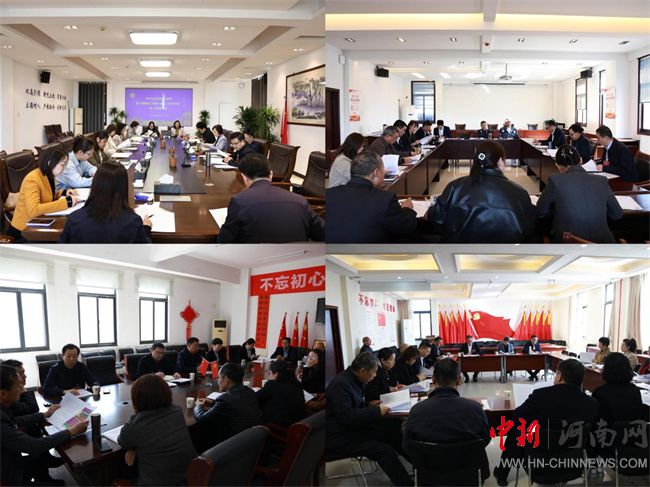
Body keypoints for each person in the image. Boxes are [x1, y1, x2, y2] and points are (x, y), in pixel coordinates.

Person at [493, 359, 599, 486]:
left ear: (560, 376)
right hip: (573, 463)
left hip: (538, 462)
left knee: (517, 431)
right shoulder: (591, 404)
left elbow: (517, 416)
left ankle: (502, 473)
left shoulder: (540, 395)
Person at [326, 353, 413, 486]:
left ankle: (420, 467)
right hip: (341, 437)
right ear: (363, 371)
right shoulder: (341, 384)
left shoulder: (355, 379)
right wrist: (376, 410)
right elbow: (346, 416)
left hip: (355, 428)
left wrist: (372, 405)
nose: (375, 376)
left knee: (393, 428)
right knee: (384, 450)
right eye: (374, 372)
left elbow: (356, 406)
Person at [426, 140, 537, 243]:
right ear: (500, 161)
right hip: (506, 255)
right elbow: (530, 227)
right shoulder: (519, 192)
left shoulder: (455, 187)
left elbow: (437, 218)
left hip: (460, 254)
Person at [1, 365, 88, 486]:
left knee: (41, 458)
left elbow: (16, 420)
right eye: (18, 385)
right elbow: (34, 445)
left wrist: (45, 414)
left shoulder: (4, 408)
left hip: (11, 462)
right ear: (3, 393)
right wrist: (70, 432)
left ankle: (45, 480)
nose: (22, 388)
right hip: (9, 477)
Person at [217, 153, 325, 243]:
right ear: (271, 174)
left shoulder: (239, 202)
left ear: (243, 177)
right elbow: (323, 233)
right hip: (299, 259)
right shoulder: (300, 201)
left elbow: (224, 241)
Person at [117, 374, 196, 486]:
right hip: (190, 479)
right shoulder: (177, 411)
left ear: (137, 400)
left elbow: (122, 441)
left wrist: (133, 446)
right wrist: (135, 448)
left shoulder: (136, 424)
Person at [536, 145, 622, 243]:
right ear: (580, 161)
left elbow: (541, 211)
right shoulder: (602, 180)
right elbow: (617, 214)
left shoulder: (555, 181)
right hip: (602, 246)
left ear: (559, 166)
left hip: (568, 244)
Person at [326, 150, 417, 243]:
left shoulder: (329, 194)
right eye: (383, 170)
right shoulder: (385, 200)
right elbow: (407, 227)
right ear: (376, 172)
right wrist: (407, 209)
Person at [59, 162, 152, 243]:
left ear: (95, 185)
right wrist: (146, 229)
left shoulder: (74, 219)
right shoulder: (133, 221)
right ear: (124, 188)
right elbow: (144, 253)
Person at [404, 358, 490, 444]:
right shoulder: (475, 409)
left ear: (433, 379)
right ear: (459, 380)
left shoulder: (417, 410)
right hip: (466, 453)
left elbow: (407, 442)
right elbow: (485, 439)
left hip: (427, 453)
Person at [7, 149, 79, 241]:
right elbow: (34, 210)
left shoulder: (49, 175)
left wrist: (64, 193)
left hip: (40, 222)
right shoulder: (32, 179)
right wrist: (67, 202)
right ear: (50, 163)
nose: (64, 168)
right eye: (62, 165)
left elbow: (47, 196)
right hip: (24, 231)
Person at [193, 363, 261, 450]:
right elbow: (235, 404)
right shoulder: (250, 392)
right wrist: (213, 403)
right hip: (251, 442)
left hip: (230, 446)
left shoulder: (225, 399)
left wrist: (198, 406)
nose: (218, 381)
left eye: (219, 377)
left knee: (198, 432)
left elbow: (202, 419)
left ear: (226, 379)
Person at [592, 352, 644, 426]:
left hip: (607, 432)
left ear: (606, 370)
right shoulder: (635, 390)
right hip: (633, 432)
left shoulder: (600, 392)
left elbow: (596, 422)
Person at [256, 360, 305, 427]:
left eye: (270, 373)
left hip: (278, 427)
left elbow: (254, 398)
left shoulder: (272, 385)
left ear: (276, 374)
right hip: (298, 424)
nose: (269, 375)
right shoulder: (297, 384)